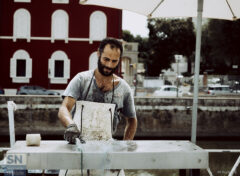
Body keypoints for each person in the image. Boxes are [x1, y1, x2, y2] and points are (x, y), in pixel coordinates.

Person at [58, 37, 137, 144]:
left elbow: (132, 120)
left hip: (106, 149)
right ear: (98, 54)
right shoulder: (81, 80)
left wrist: (126, 145)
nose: (109, 65)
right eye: (106, 59)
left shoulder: (124, 88)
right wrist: (71, 126)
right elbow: (64, 108)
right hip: (78, 147)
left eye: (114, 61)